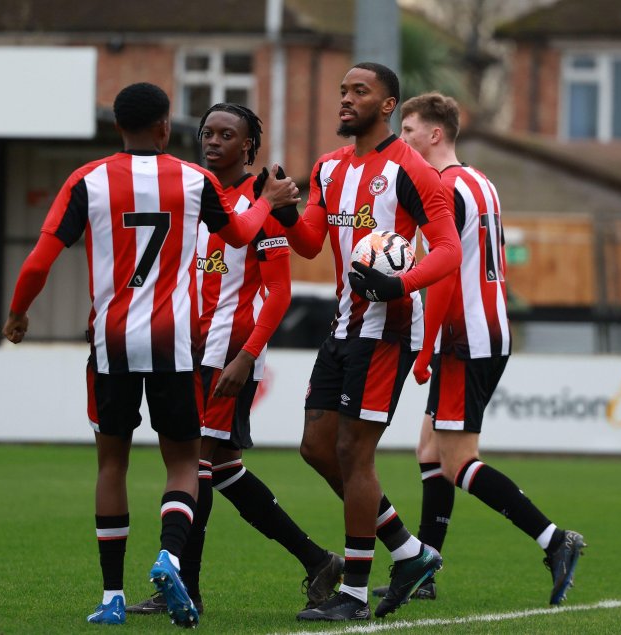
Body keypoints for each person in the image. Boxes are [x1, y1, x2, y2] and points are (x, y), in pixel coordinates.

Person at [2, 83, 300, 628]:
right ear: (167, 128)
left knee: (111, 464)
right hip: (174, 342)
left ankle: (112, 595)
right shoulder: (195, 180)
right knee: (186, 462)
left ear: (118, 126)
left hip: (111, 342)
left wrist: (20, 312)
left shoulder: (86, 181)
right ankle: (169, 556)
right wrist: (267, 202)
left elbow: (39, 262)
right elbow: (238, 236)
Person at [126, 103, 343, 617]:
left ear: (249, 145)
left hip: (228, 353)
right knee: (218, 467)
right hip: (187, 349)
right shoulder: (196, 192)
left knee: (195, 464)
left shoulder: (260, 198)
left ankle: (182, 587)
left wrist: (246, 357)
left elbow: (280, 291)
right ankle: (316, 560)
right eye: (207, 132)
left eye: (227, 134)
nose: (214, 141)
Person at [373, 91, 585, 606]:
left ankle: (554, 539)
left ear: (435, 135)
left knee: (458, 461)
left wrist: (424, 353)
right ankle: (425, 569)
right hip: (491, 328)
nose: (403, 140)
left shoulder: (441, 188)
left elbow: (444, 275)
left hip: (462, 337)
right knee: (430, 451)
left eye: (409, 130)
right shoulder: (480, 180)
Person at [268, 62, 462, 621]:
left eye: (359, 92)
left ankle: (353, 593)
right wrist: (282, 208)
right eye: (342, 92)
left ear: (388, 106)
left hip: (390, 326)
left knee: (355, 453)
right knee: (316, 446)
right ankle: (407, 550)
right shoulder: (328, 168)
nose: (345, 100)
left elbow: (447, 250)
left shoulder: (412, 170)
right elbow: (308, 244)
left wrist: (398, 281)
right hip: (345, 323)